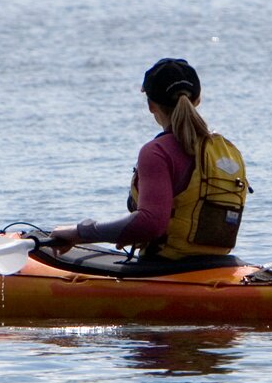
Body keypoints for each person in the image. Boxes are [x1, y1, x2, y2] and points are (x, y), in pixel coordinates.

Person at [48, 57, 247, 261]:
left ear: (151, 105)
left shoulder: (157, 151)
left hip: (166, 268)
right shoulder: (227, 150)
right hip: (219, 265)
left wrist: (79, 232)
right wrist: (129, 232)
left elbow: (150, 223)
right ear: (198, 100)